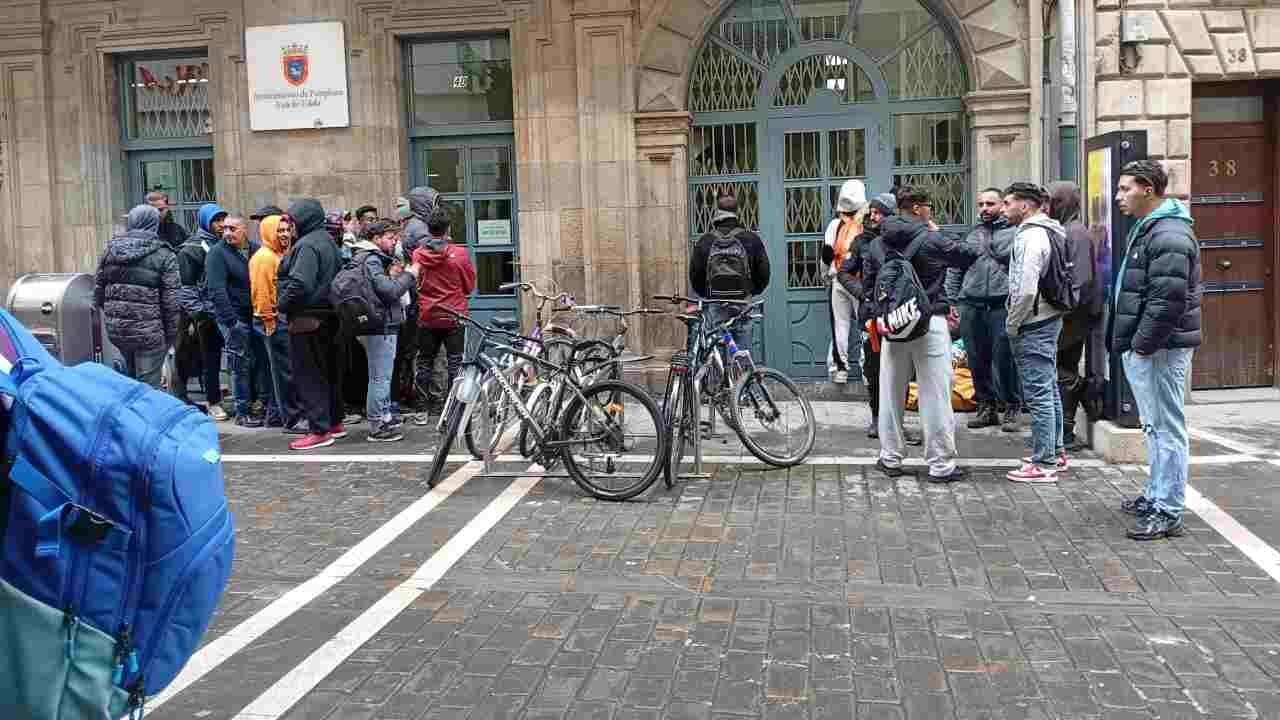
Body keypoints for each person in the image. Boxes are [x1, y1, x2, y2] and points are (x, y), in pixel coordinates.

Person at [1109, 161, 1201, 540]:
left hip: (1160, 349)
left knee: (1166, 429)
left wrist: (1141, 346)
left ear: (1148, 188)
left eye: (1125, 188)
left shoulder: (1169, 235)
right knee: (1155, 427)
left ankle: (1168, 509)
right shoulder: (1152, 230)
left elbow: (1167, 301)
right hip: (1150, 347)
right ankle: (1156, 494)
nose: (1118, 197)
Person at [873, 187, 978, 482]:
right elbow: (968, 255)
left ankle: (890, 458)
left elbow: (871, 286)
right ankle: (941, 465)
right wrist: (939, 232)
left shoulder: (880, 242)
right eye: (929, 206)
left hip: (894, 323)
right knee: (935, 394)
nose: (931, 211)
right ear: (918, 209)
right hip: (929, 321)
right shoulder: (932, 238)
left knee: (890, 392)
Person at [1003, 183, 1069, 483]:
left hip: (1034, 322)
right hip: (1049, 317)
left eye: (1008, 203)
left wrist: (1013, 323)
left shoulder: (1030, 237)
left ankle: (1044, 463)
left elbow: (1024, 289)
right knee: (1049, 387)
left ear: (1025, 206)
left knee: (1039, 392)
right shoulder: (1053, 230)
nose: (1005, 209)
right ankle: (1054, 451)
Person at [946, 188, 1021, 432]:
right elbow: (955, 269)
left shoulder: (1016, 233)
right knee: (977, 360)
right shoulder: (971, 234)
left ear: (1002, 204)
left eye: (990, 203)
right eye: (980, 204)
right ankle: (986, 407)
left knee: (1004, 359)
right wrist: (951, 302)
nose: (984, 209)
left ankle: (1011, 407)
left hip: (1002, 305)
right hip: (971, 304)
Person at [279, 198, 346, 450]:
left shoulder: (307, 245)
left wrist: (281, 305)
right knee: (329, 372)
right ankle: (334, 422)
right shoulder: (327, 240)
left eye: (292, 221)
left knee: (309, 375)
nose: (290, 227)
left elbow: (300, 284)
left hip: (308, 318)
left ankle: (319, 429)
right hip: (330, 315)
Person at [93, 204, 181, 388]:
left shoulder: (110, 250)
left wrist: (115, 317)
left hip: (118, 331)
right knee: (148, 385)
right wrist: (170, 336)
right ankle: (147, 416)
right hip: (150, 333)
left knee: (130, 381)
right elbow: (172, 302)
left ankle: (130, 415)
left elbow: (98, 293)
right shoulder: (164, 254)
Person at [838, 192, 901, 439]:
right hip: (871, 316)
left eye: (879, 212)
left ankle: (897, 421)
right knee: (874, 370)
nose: (874, 217)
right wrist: (863, 293)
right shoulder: (861, 241)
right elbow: (843, 273)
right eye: (872, 212)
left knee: (899, 371)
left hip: (898, 314)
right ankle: (877, 418)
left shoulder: (901, 240)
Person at [351, 220, 419, 441]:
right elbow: (389, 292)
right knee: (380, 376)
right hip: (380, 325)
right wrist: (409, 275)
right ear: (376, 238)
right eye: (390, 237)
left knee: (378, 374)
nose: (394, 241)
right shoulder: (371, 259)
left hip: (374, 324)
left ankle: (384, 415)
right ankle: (378, 425)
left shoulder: (365, 257)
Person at [1048, 181, 1101, 450]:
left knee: (1058, 368)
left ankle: (1067, 424)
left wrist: (1062, 309)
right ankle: (1065, 431)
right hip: (1072, 312)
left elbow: (1080, 279)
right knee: (1063, 367)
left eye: (1053, 201)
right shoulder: (1066, 229)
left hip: (1074, 315)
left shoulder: (1075, 233)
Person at [412, 207, 476, 421]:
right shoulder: (460, 254)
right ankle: (453, 408)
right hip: (454, 314)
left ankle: (422, 410)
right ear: (448, 228)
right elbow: (469, 286)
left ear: (428, 228)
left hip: (428, 315)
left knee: (424, 362)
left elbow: (415, 283)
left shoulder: (419, 254)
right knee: (455, 362)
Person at [688, 191, 771, 348]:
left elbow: (695, 276)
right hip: (741, 302)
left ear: (717, 212)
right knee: (741, 350)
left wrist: (708, 293)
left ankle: (718, 370)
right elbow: (764, 273)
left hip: (715, 303)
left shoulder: (705, 241)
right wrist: (749, 291)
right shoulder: (751, 239)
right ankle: (742, 372)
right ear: (736, 212)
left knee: (715, 349)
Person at [206, 214, 265, 428]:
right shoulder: (217, 254)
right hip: (233, 317)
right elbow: (216, 290)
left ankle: (259, 404)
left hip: (254, 314)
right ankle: (242, 410)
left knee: (257, 360)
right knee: (240, 363)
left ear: (244, 230)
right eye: (225, 229)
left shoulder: (256, 250)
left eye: (233, 229)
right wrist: (232, 322)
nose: (227, 232)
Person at [250, 213, 303, 431]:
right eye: (279, 231)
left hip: (277, 318)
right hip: (272, 320)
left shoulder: (279, 254)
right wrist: (270, 322)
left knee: (279, 372)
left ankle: (276, 415)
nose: (284, 234)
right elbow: (262, 294)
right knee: (284, 372)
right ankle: (291, 419)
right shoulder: (265, 258)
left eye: (286, 230)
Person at [176, 203, 228, 419]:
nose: (221, 224)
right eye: (216, 220)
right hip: (203, 315)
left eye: (223, 219)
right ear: (206, 222)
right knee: (208, 358)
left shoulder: (225, 244)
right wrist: (200, 314)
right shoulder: (192, 249)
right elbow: (186, 286)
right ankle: (212, 401)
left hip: (222, 309)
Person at [821, 180, 866, 384]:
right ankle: (868, 369)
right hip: (860, 282)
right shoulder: (867, 223)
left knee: (840, 325)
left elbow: (826, 254)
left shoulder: (834, 225)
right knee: (865, 324)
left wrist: (825, 276)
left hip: (838, 279)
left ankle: (840, 369)